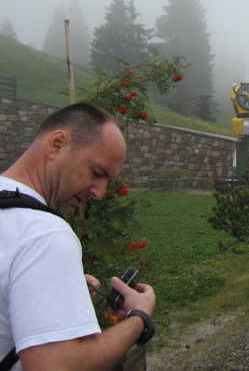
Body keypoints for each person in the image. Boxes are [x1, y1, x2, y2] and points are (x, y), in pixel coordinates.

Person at [0, 103, 156, 371]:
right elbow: (58, 366)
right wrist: (139, 317)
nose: (99, 193)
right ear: (58, 144)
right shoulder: (45, 235)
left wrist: (46, 288)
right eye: (97, 173)